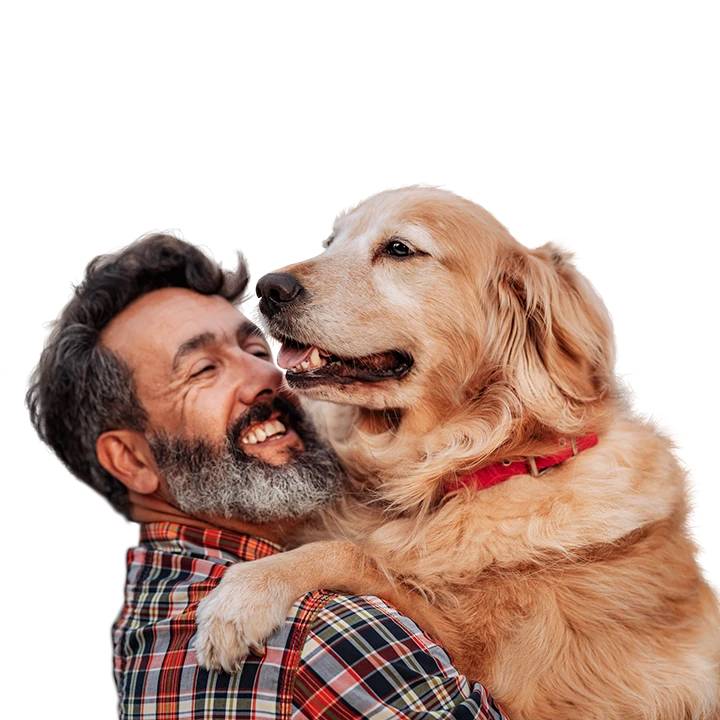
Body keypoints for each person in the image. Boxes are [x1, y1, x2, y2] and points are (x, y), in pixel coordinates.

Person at [28, 233, 509, 720]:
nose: (270, 377)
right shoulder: (322, 636)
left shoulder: (148, 624)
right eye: (203, 370)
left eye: (257, 349)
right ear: (130, 460)